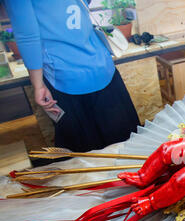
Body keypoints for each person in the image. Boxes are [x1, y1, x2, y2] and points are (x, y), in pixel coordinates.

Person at [3, 0, 140, 152]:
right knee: (128, 145)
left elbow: (27, 35)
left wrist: (38, 85)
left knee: (86, 156)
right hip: (102, 66)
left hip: (65, 77)